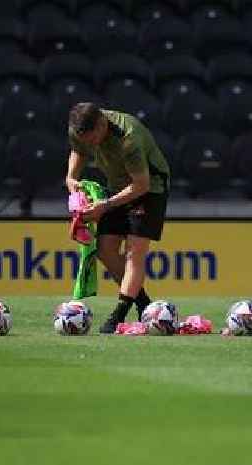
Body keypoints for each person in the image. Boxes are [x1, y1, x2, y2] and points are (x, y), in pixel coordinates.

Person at [66, 102, 171, 334]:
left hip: (149, 188)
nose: (91, 145)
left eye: (94, 138)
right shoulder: (79, 130)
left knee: (134, 252)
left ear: (102, 124)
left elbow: (141, 184)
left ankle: (118, 315)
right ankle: (144, 304)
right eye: (86, 140)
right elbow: (78, 150)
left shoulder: (128, 137)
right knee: (105, 250)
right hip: (117, 187)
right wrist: (71, 177)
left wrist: (105, 206)